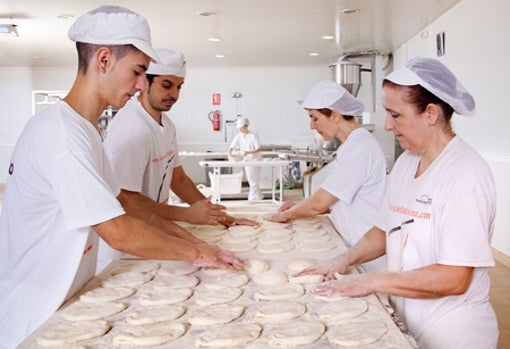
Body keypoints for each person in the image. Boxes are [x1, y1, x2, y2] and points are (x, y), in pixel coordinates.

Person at [0, 6, 243, 348]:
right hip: (36, 313)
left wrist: (196, 243)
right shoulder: (60, 134)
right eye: (139, 71)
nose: (143, 84)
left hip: (66, 302)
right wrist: (199, 255)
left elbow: (126, 204)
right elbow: (119, 232)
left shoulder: (84, 131)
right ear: (103, 60)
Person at [296, 58, 498, 348]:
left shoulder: (465, 173)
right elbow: (383, 230)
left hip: (452, 330)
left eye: (396, 115)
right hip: (408, 316)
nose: (387, 126)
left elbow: (454, 277)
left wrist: (372, 282)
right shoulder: (406, 163)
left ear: (430, 113)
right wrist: (343, 259)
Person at [100, 49, 256, 271]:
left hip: (157, 228)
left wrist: (218, 216)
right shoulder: (132, 128)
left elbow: (178, 178)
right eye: (166, 85)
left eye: (179, 86)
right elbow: (127, 199)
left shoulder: (166, 125)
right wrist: (186, 215)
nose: (174, 94)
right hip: (130, 243)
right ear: (144, 82)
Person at [267, 81, 387, 272]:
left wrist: (286, 215)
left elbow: (320, 202)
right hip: (356, 246)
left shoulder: (360, 147)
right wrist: (299, 207)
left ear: (336, 115)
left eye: (314, 118)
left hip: (368, 255)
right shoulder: (352, 145)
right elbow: (336, 200)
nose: (312, 125)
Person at [228, 117, 263, 201]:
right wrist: (229, 155)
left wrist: (248, 152)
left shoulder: (252, 135)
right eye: (239, 128)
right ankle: (259, 197)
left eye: (242, 127)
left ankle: (251, 199)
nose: (241, 129)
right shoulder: (239, 136)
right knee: (251, 180)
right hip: (247, 161)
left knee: (253, 180)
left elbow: (258, 148)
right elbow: (231, 147)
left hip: (255, 160)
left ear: (246, 126)